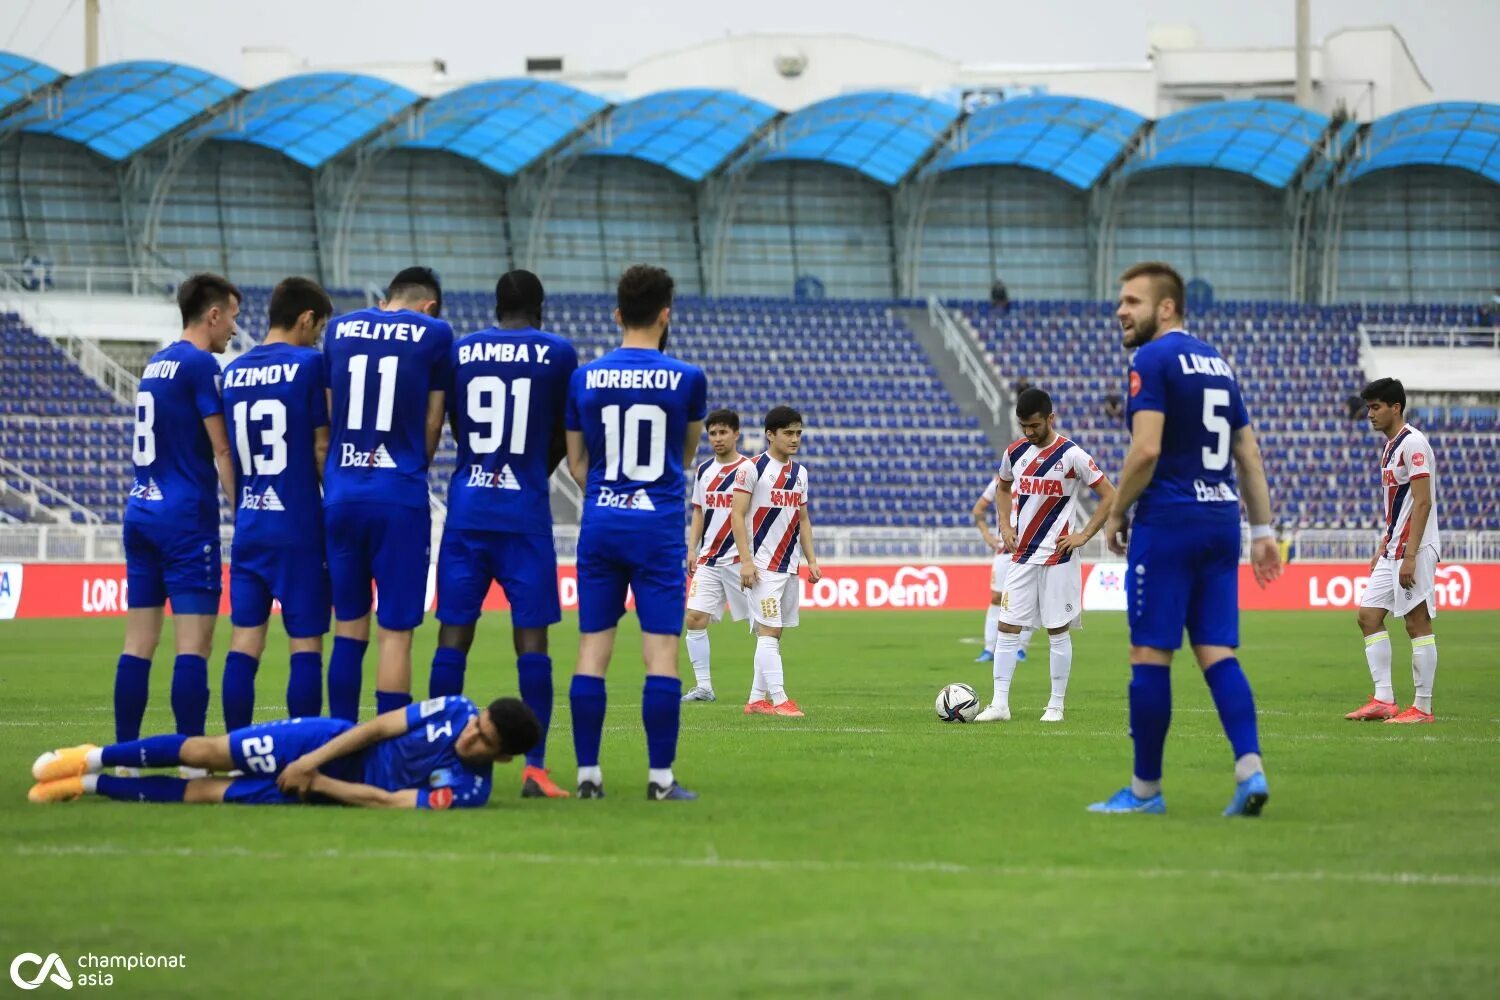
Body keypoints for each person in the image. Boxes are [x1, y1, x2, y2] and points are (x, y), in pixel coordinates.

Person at [1091, 261, 1281, 817]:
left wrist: (1115, 512)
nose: (1121, 311)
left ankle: (1145, 791)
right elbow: (1248, 453)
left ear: (1166, 306)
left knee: (1149, 652)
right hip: (1221, 520)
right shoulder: (1218, 363)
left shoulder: (1150, 358)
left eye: (1131, 301)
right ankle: (1251, 771)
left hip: (1170, 520)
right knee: (1216, 650)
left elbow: (1146, 450)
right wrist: (1263, 531)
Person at [430, 270, 578, 798]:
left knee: (453, 635)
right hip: (524, 513)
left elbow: (454, 422)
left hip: (469, 505)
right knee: (532, 642)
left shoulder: (462, 351)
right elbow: (566, 429)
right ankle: (534, 769)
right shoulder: (558, 352)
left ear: (496, 306)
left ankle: (439, 760)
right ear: (540, 307)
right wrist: (536, 468)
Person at [564, 265, 706, 801]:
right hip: (658, 526)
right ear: (666, 313)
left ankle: (587, 777)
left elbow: (577, 462)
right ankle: (660, 780)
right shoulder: (687, 378)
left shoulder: (585, 377)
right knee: (661, 655)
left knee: (591, 650)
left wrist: (606, 492)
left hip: (602, 520)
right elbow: (686, 454)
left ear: (618, 314)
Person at [116, 274, 240, 763]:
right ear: (212, 315)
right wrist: (243, 509)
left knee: (138, 643)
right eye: (231, 316)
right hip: (184, 520)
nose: (234, 327)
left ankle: (123, 758)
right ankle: (192, 762)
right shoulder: (199, 365)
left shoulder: (158, 362)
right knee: (194, 646)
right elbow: (223, 447)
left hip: (141, 510)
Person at [322, 267, 454, 722]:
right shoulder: (435, 333)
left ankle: (337, 742)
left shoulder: (339, 327)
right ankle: (385, 748)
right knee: (395, 634)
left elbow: (327, 414)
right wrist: (415, 464)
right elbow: (434, 421)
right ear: (428, 306)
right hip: (398, 494)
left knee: (348, 629)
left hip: (341, 493)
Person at [27, 695, 539, 810]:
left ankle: (83, 785)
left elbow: (389, 802)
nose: (469, 736)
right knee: (208, 751)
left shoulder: (470, 791)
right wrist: (311, 761)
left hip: (335, 787)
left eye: (482, 741)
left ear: (501, 759)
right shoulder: (453, 708)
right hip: (323, 742)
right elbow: (377, 727)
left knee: (207, 794)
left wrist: (318, 785)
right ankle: (90, 757)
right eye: (478, 726)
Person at [220, 277, 334, 732]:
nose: (318, 337)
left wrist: (244, 506)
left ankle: (233, 750)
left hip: (251, 523)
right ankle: (302, 751)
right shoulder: (310, 365)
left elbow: (226, 455)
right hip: (298, 525)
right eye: (319, 327)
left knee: (245, 641)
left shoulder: (233, 372)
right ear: (306, 319)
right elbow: (322, 448)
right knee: (305, 645)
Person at [975, 388, 1116, 724]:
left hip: (1058, 557)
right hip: (1022, 555)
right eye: (1023, 426)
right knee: (1007, 626)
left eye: (1034, 425)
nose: (1028, 432)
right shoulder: (1014, 453)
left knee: (1057, 630)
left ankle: (1055, 706)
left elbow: (1109, 494)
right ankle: (999, 704)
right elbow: (1003, 488)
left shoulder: (1072, 455)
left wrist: (1084, 535)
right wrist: (1005, 525)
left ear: (1050, 418)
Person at [1346, 377, 1441, 724]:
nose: (1370, 414)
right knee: (1368, 615)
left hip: (1413, 548)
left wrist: (1411, 555)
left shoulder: (1414, 444)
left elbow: (1422, 501)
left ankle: (1423, 708)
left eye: (1375, 407)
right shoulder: (1390, 447)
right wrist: (1383, 546)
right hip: (1394, 548)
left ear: (1395, 407)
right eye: (1369, 407)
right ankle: (1384, 699)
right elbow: (1396, 506)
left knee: (1417, 623)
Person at [743, 406, 821, 717]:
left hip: (789, 565)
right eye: (788, 433)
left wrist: (811, 560)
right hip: (761, 566)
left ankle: (755, 699)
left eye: (798, 433)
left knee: (774, 632)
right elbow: (737, 515)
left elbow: (802, 519)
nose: (795, 438)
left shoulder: (800, 473)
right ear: (770, 434)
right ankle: (780, 699)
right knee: (770, 631)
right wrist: (746, 561)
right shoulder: (752, 469)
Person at [682, 408, 757, 703]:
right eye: (712, 433)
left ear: (736, 434)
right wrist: (692, 548)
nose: (717, 438)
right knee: (695, 617)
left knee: (763, 626)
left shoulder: (750, 469)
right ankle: (704, 687)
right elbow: (699, 512)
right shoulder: (703, 471)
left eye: (723, 432)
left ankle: (766, 691)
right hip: (710, 560)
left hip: (743, 561)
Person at [969, 474, 1033, 665]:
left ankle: (1020, 649)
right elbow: (978, 509)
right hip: (1004, 548)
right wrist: (987, 535)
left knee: (1026, 599)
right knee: (997, 597)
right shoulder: (1000, 480)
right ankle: (990, 648)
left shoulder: (1038, 476)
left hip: (1030, 548)